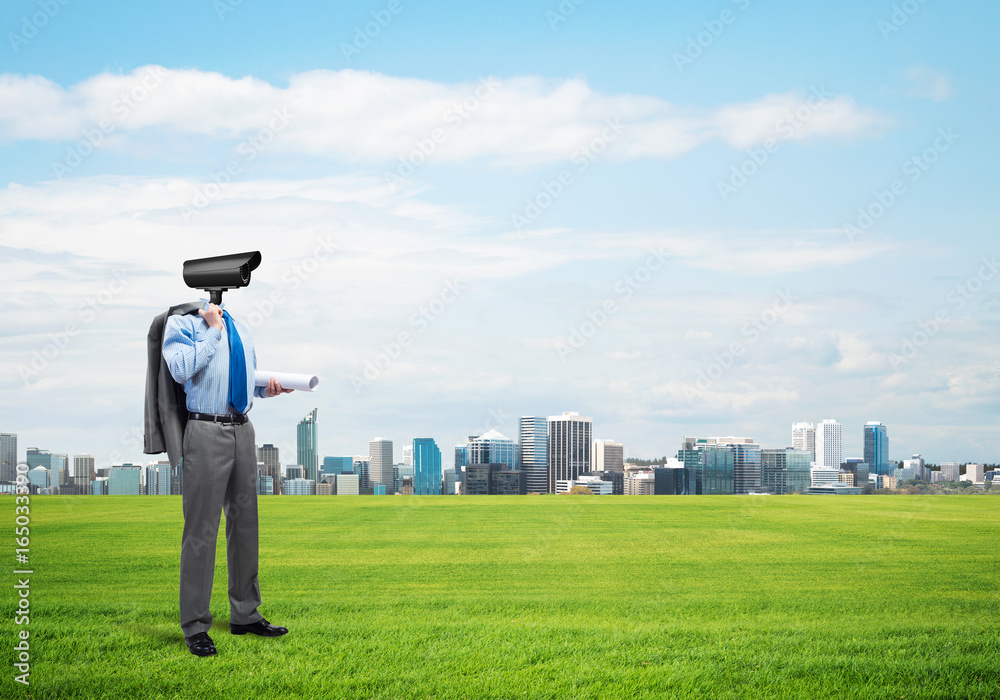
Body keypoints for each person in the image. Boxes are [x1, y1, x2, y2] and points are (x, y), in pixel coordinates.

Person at [162, 300, 292, 657]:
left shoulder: (242, 329)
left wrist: (268, 389)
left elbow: (242, 381)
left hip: (243, 431)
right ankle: (195, 626)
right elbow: (180, 369)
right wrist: (213, 329)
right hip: (205, 429)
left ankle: (245, 614)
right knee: (202, 531)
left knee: (246, 526)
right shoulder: (183, 324)